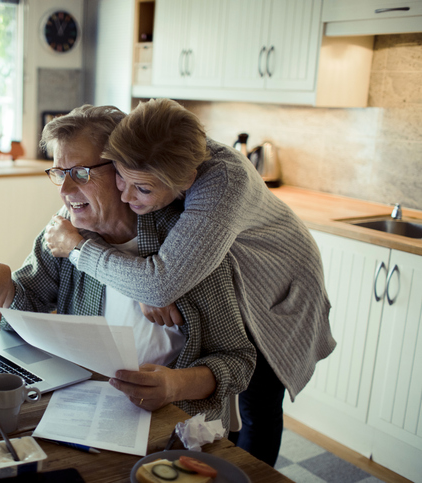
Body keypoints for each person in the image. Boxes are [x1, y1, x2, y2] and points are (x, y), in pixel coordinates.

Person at [43, 98, 335, 466]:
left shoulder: (223, 182)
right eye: (119, 176)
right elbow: (80, 192)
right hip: (220, 267)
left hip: (278, 285)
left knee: (258, 402)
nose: (126, 195)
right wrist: (150, 281)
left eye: (143, 190)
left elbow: (159, 284)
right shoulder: (142, 152)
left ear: (185, 182)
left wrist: (154, 282)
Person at [0, 105, 255, 432]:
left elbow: (237, 360)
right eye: (59, 173)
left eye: (81, 173)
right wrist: (1, 275)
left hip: (172, 423)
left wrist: (176, 385)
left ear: (121, 168)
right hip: (86, 406)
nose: (65, 190)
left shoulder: (186, 248)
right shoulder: (66, 231)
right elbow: (22, 314)